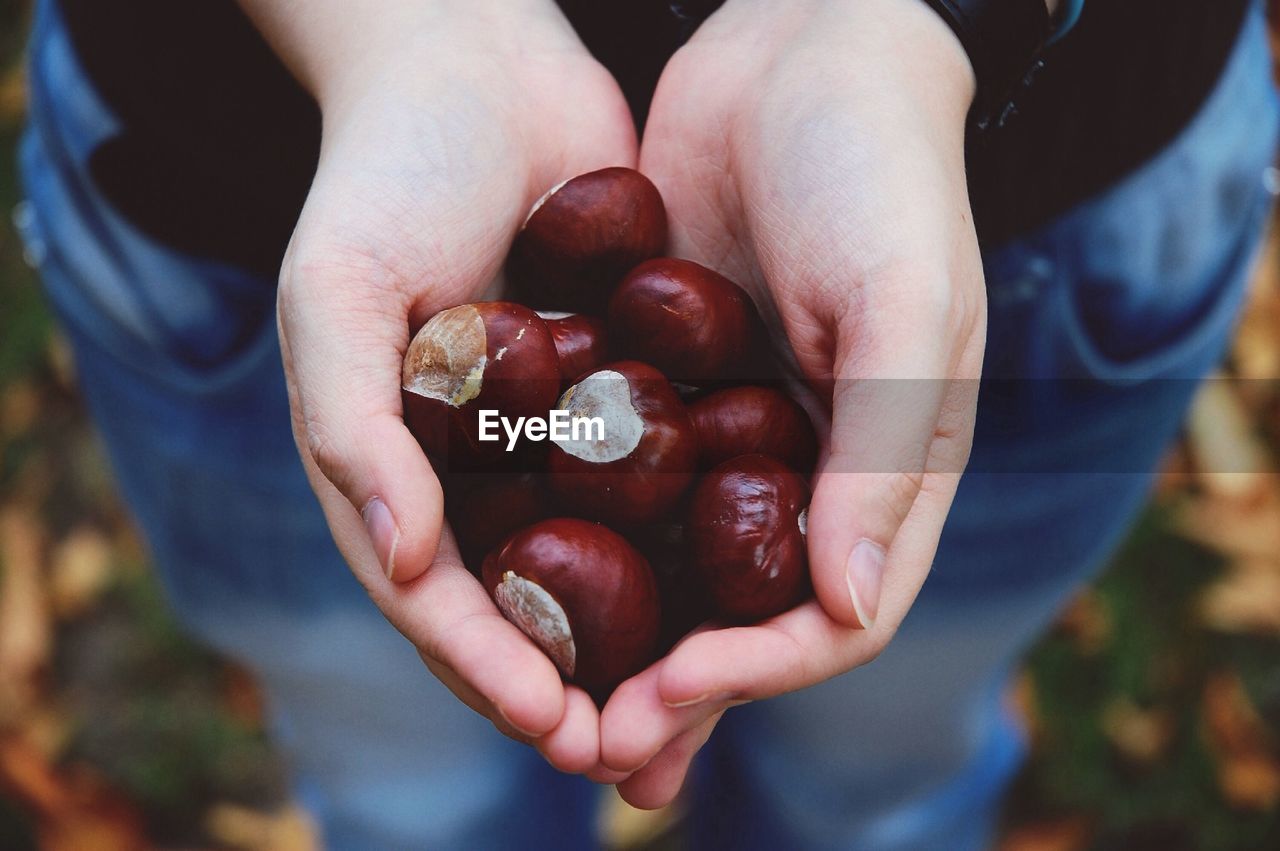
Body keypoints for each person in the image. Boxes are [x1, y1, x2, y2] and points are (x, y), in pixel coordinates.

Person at [16, 0, 1276, 847]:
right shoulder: (553, 413)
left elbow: (566, 434)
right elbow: (550, 437)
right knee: (410, 793)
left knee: (873, 771)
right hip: (248, 193)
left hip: (1043, 192)